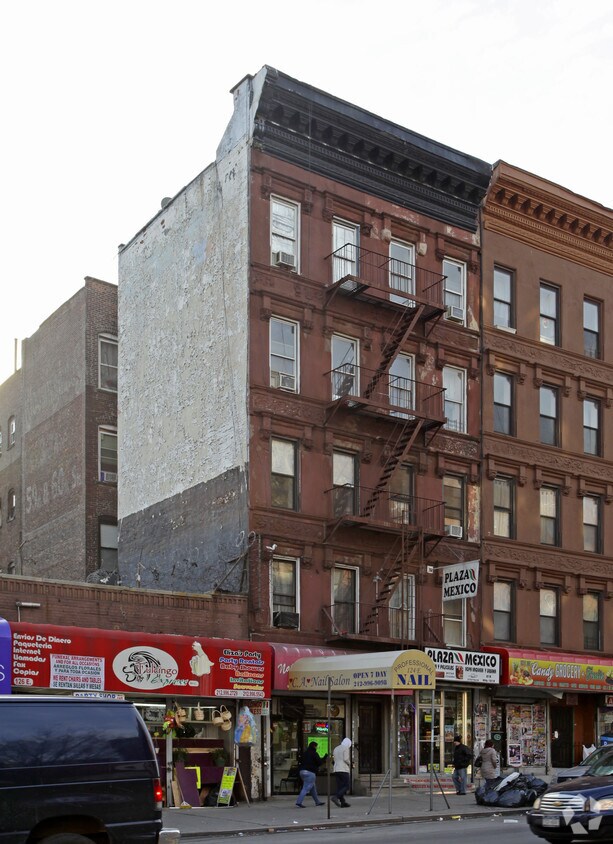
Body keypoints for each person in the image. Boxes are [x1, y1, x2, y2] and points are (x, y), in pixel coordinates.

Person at [295, 742, 326, 808]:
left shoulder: (305, 753)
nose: (317, 748)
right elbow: (319, 762)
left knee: (312, 788)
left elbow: (300, 761)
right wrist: (325, 757)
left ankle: (317, 802)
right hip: (310, 772)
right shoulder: (314, 753)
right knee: (306, 788)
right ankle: (299, 802)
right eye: (316, 746)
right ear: (314, 746)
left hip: (302, 772)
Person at [332, 737, 352, 807]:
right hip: (343, 769)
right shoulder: (345, 748)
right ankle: (336, 797)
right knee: (347, 786)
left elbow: (334, 759)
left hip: (336, 769)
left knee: (340, 787)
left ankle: (343, 802)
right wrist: (350, 763)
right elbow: (346, 759)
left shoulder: (336, 748)